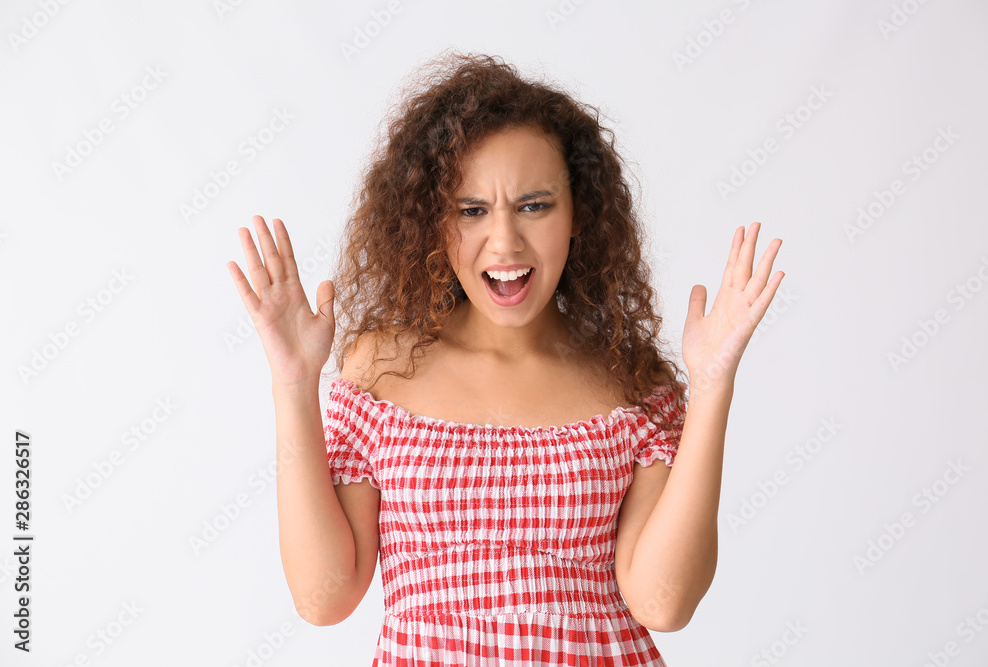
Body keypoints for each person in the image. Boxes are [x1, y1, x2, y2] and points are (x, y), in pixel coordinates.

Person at [226, 51, 784, 667]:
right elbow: (321, 597)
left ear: (579, 217)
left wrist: (710, 386)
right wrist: (294, 383)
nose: (505, 242)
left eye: (535, 205)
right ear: (432, 225)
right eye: (472, 211)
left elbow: (664, 603)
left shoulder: (631, 384)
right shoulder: (382, 371)